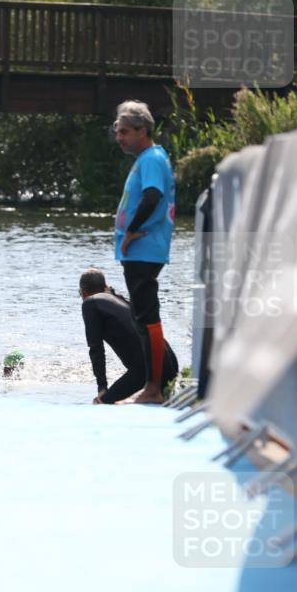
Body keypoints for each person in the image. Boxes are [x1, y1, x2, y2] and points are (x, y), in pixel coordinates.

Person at [113, 100, 175, 404]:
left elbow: (153, 196)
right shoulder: (147, 157)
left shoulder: (151, 158)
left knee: (146, 314)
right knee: (141, 315)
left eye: (124, 132)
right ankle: (152, 386)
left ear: (143, 130)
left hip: (144, 247)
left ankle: (153, 388)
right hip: (140, 250)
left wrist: (132, 231)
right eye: (117, 132)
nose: (119, 137)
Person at [80, 268, 178, 404]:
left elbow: (96, 348)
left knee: (102, 404)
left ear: (83, 292)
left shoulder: (90, 303)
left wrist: (102, 387)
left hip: (146, 368)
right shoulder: (118, 299)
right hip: (170, 363)